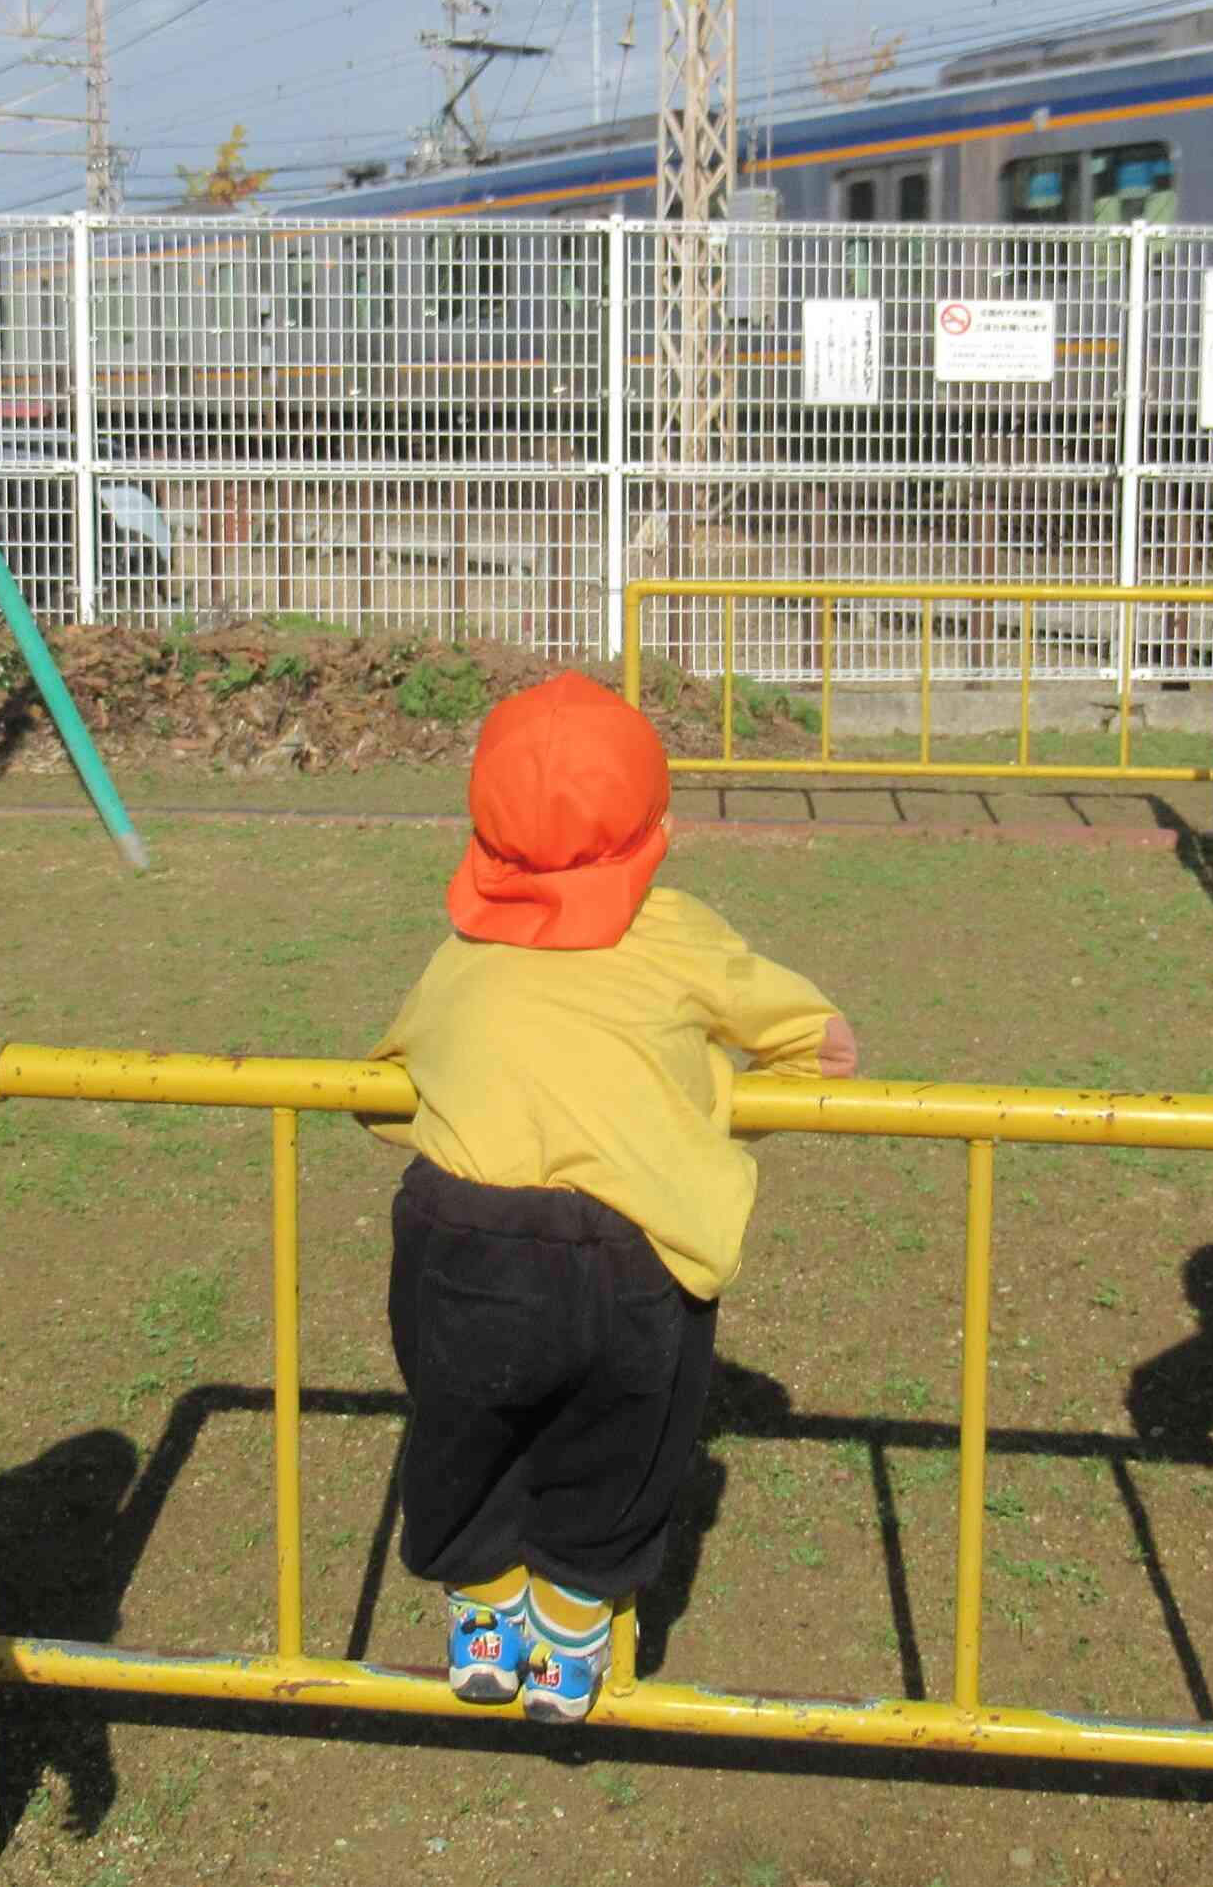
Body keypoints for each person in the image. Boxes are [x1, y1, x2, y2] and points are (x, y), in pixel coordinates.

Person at [369, 671, 859, 1723]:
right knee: (626, 1434)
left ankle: (482, 1606)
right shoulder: (676, 932)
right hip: (626, 1247)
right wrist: (717, 1095)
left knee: (461, 1423)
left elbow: (389, 1082)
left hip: (460, 1231)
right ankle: (575, 1614)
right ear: (660, 831)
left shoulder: (462, 949)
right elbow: (803, 1034)